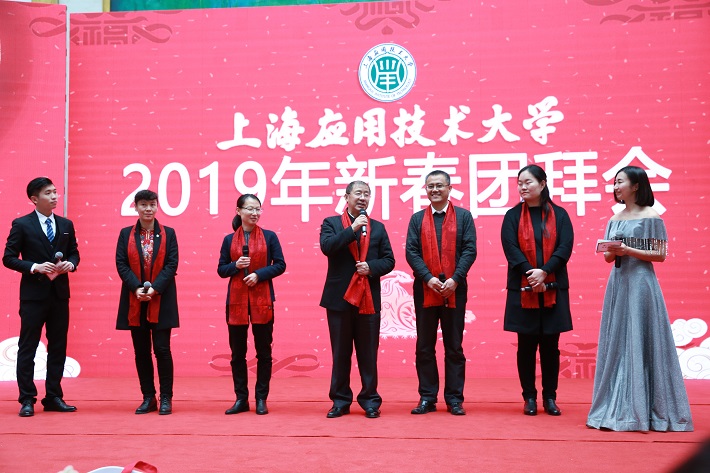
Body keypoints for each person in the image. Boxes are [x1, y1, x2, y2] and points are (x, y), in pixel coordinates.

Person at [586, 166, 693, 431]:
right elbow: (608, 257)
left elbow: (660, 255)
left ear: (636, 186)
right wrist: (612, 249)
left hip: (642, 283)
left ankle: (650, 411)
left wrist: (628, 249)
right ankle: (616, 406)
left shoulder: (652, 217)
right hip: (618, 283)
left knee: (642, 337)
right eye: (614, 182)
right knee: (618, 339)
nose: (615, 187)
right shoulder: (615, 218)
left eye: (620, 182)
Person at [3, 177, 80, 417]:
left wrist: (71, 264)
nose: (54, 196)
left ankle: (54, 396)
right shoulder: (22, 224)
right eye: (48, 193)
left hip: (59, 295)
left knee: (58, 345)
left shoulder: (66, 224)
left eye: (55, 192)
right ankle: (27, 398)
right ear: (34, 199)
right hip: (33, 297)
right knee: (28, 346)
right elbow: (8, 258)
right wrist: (34, 267)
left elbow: (75, 253)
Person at [501, 164, 574, 416]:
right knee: (526, 346)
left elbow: (564, 248)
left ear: (542, 184)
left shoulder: (560, 215)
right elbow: (510, 248)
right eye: (519, 183)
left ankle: (550, 397)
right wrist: (532, 274)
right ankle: (529, 397)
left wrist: (545, 271)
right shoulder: (512, 216)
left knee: (551, 346)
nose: (522, 187)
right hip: (523, 289)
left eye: (528, 182)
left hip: (553, 288)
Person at [320, 180, 395, 419]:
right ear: (346, 197)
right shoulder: (331, 223)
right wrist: (352, 229)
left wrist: (371, 268)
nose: (363, 198)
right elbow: (327, 247)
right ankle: (340, 401)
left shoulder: (378, 228)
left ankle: (370, 401)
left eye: (367, 194)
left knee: (368, 353)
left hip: (368, 299)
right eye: (358, 193)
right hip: (339, 299)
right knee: (341, 353)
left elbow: (389, 260)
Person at [406, 170, 477, 416]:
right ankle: (427, 397)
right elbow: (411, 252)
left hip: (455, 289)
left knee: (454, 346)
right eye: (430, 186)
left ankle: (454, 399)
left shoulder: (464, 217)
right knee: (424, 346)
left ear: (449, 188)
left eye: (439, 185)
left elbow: (469, 250)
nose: (434, 190)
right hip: (425, 289)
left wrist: (455, 279)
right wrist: (428, 278)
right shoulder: (417, 219)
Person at [217, 194, 286, 415]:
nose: (255, 213)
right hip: (236, 301)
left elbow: (280, 265)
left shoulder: (270, 236)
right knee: (237, 353)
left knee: (264, 352)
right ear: (238, 211)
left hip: (262, 300)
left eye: (258, 209)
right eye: (250, 209)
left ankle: (261, 398)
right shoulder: (229, 240)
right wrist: (235, 266)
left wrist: (259, 275)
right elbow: (221, 270)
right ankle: (241, 399)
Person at [115, 190, 179, 415]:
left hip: (161, 298)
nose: (148, 209)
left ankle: (166, 398)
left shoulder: (169, 233)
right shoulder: (126, 234)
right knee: (141, 351)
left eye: (152, 204)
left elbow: (172, 264)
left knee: (162, 349)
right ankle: (148, 397)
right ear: (135, 207)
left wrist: (154, 288)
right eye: (143, 204)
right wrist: (137, 288)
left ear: (157, 206)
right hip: (135, 299)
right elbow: (121, 264)